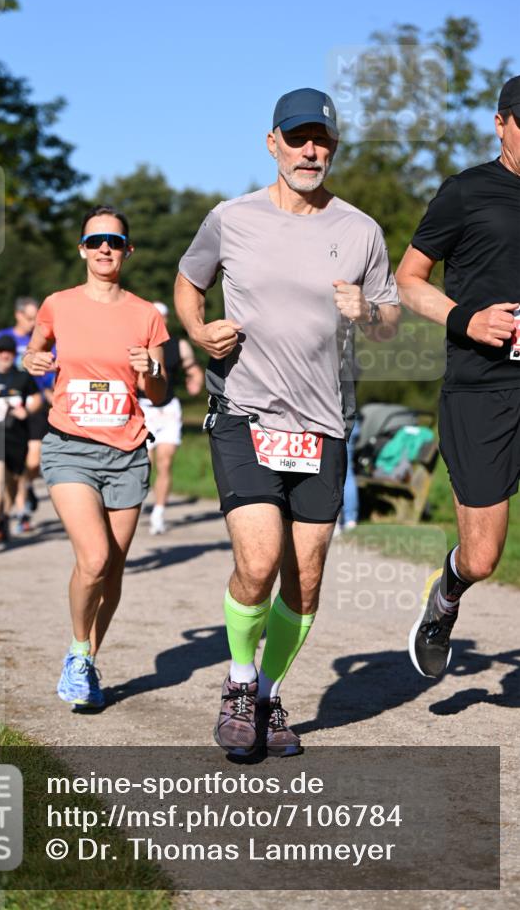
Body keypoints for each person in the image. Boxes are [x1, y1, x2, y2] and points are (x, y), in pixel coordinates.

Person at [175, 88, 400, 757]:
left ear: (333, 148)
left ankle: (269, 694)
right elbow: (189, 283)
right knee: (259, 558)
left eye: (321, 140)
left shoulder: (359, 231)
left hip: (321, 422)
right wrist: (197, 329)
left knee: (305, 573)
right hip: (244, 411)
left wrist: (366, 309)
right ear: (270, 142)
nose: (310, 151)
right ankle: (238, 686)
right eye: (298, 138)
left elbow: (388, 323)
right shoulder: (230, 218)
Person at [397, 75, 520, 679]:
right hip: (482, 391)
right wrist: (467, 320)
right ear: (501, 124)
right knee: (482, 556)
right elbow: (409, 280)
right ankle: (445, 596)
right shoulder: (467, 192)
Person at [23, 205, 169, 710]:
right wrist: (32, 359)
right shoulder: (57, 305)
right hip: (70, 447)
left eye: (113, 240)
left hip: (127, 451)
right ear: (82, 249)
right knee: (95, 557)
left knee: (114, 570)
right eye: (94, 240)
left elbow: (162, 392)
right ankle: (79, 649)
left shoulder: (146, 313)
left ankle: (84, 662)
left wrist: (149, 369)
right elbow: (34, 350)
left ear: (127, 250)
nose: (104, 248)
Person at [139, 301, 204, 535]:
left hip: (168, 409)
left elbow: (192, 367)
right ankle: (135, 504)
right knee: (144, 463)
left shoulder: (179, 345)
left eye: (162, 317)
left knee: (165, 462)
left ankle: (158, 512)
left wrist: (195, 380)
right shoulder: (138, 344)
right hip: (143, 407)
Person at [0, 297, 54, 532]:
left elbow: (52, 370)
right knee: (11, 466)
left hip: (35, 404)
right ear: (18, 315)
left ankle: (26, 486)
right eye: (29, 318)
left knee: (34, 459)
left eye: (36, 318)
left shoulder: (44, 339)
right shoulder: (2, 338)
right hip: (8, 408)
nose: (33, 323)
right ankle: (17, 504)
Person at [0, 334, 41, 543]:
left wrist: (28, 410)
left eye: (9, 352)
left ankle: (6, 514)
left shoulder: (22, 377)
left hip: (17, 436)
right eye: (1, 351)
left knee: (14, 482)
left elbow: (37, 398)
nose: (5, 355)